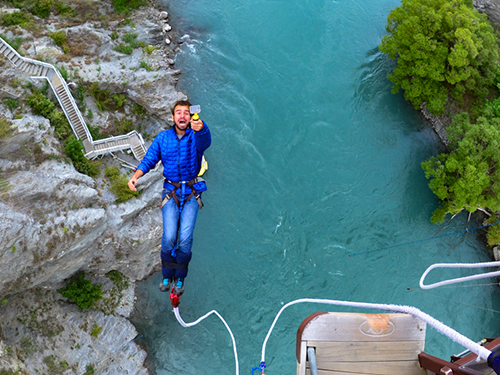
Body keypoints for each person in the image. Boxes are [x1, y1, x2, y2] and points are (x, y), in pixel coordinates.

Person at [127, 100, 211, 295]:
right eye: (178, 113)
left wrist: (202, 128)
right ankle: (167, 274)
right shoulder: (163, 138)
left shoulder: (195, 136)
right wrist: (135, 177)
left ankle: (179, 278)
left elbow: (205, 142)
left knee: (185, 239)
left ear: (190, 118)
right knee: (169, 238)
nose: (182, 116)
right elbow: (149, 159)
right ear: (172, 118)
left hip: (190, 192)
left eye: (186, 113)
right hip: (171, 192)